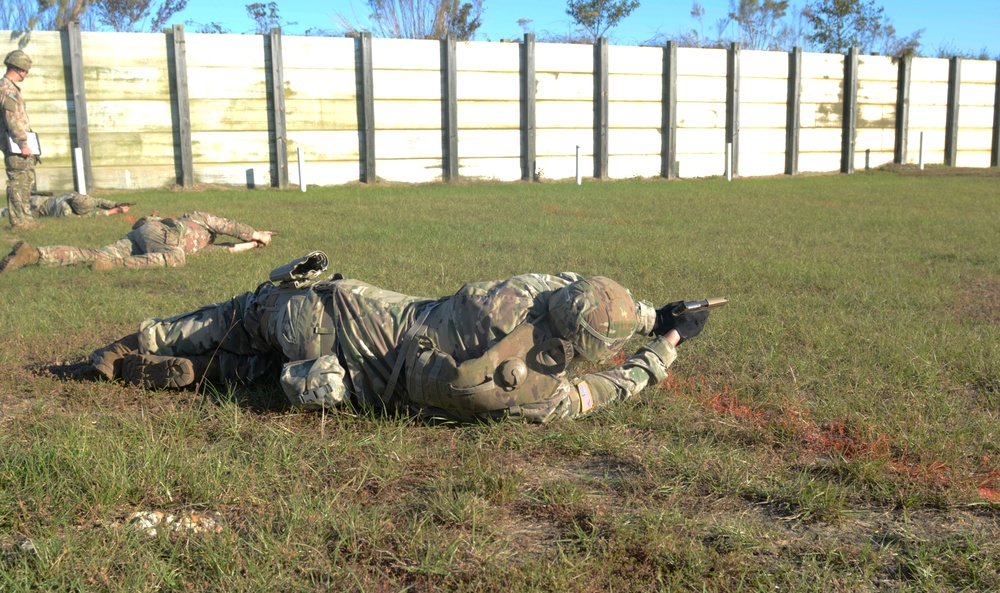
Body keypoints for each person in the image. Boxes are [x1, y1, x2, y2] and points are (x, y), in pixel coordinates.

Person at [87, 254, 714, 423]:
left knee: (242, 315)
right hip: (337, 382)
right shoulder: (539, 394)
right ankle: (215, 377)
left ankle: (139, 340)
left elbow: (572, 284)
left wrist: (656, 311)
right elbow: (611, 385)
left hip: (330, 312)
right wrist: (664, 343)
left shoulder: (514, 295)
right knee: (259, 372)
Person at [0, 211, 276, 273]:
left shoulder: (205, 245)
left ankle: (33, 255)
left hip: (140, 237)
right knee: (176, 258)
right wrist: (257, 233)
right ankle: (116, 266)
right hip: (159, 234)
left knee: (95, 253)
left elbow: (227, 250)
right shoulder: (197, 218)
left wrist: (253, 244)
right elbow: (229, 227)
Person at [1, 49, 36, 228]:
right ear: (20, 69)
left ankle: (26, 219)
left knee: (26, 181)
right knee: (17, 183)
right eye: (26, 70)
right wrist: (23, 143)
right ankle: (19, 222)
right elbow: (12, 118)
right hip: (15, 144)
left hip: (19, 142)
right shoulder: (7, 89)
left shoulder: (10, 87)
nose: (26, 74)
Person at [1, 192, 132, 219]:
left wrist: (116, 204)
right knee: (9, 212)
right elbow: (91, 216)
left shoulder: (74, 196)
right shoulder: (66, 212)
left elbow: (97, 201)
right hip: (35, 209)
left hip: (40, 200)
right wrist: (115, 211)